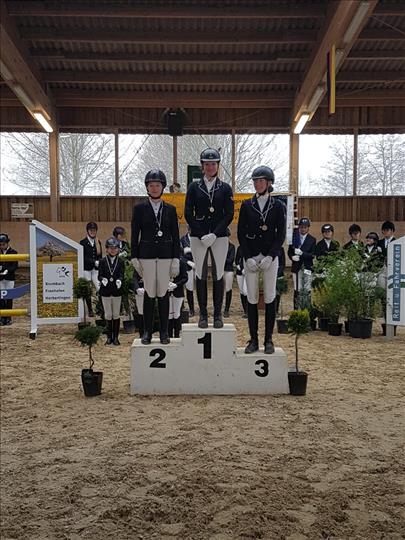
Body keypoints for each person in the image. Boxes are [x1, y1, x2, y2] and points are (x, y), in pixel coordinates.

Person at [237, 166, 286, 354]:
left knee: (270, 296)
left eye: (261, 181)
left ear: (269, 182)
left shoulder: (278, 206)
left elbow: (280, 234)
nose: (257, 184)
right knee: (251, 297)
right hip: (251, 255)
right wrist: (247, 256)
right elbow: (241, 233)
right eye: (255, 181)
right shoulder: (247, 205)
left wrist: (272, 255)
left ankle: (268, 340)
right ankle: (254, 340)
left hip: (269, 256)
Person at [184, 148, 234, 329]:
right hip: (199, 236)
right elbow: (188, 212)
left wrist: (215, 233)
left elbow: (229, 214)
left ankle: (218, 314)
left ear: (218, 165)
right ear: (202, 166)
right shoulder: (193, 187)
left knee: (219, 273)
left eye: (213, 164)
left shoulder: (225, 188)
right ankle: (203, 314)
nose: (210, 167)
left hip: (219, 236)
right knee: (200, 273)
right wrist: (200, 233)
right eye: (207, 164)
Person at [131, 169, 180, 345]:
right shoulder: (139, 209)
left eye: (157, 185)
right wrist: (134, 257)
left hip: (166, 255)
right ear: (147, 187)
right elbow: (135, 233)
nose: (154, 188)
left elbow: (175, 235)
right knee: (150, 293)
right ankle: (147, 332)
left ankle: (165, 332)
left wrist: (176, 258)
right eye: (151, 185)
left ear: (162, 187)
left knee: (163, 293)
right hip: (147, 255)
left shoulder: (170, 209)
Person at [98, 237, 125, 346]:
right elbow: (99, 275)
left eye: (115, 248)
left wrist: (120, 280)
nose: (113, 250)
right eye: (111, 248)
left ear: (118, 249)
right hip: (106, 291)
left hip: (117, 291)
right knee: (108, 315)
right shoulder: (103, 261)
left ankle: (116, 337)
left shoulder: (121, 261)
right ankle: (109, 337)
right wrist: (102, 279)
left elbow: (122, 274)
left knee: (116, 314)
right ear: (107, 249)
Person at [287, 217, 316, 309]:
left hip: (307, 267)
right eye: (301, 227)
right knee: (297, 289)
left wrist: (302, 253)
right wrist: (292, 257)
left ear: (308, 228)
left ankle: (307, 308)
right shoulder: (294, 238)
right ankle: (296, 309)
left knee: (307, 289)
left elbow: (312, 255)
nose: (303, 229)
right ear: (299, 227)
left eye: (305, 227)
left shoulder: (312, 239)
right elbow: (289, 252)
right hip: (296, 267)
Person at [80, 222, 102, 317]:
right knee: (88, 289)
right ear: (87, 231)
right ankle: (90, 310)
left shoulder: (98, 242)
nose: (92, 232)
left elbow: (100, 255)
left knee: (100, 288)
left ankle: (99, 308)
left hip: (95, 270)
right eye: (91, 230)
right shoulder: (83, 242)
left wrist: (100, 262)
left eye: (94, 230)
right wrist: (94, 262)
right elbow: (83, 257)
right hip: (86, 269)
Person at [0, 233, 18, 326]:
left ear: (7, 243)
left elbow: (15, 266)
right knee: (1, 298)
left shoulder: (14, 252)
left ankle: (8, 317)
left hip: (9, 278)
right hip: (0, 278)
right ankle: (2, 317)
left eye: (3, 244)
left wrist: (7, 270)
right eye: (0, 245)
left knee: (9, 297)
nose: (2, 246)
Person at [168, 256, 188, 338]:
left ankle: (177, 335)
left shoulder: (182, 263)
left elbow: (185, 278)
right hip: (167, 291)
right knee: (169, 314)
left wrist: (176, 285)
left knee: (176, 314)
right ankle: (169, 335)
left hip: (178, 291)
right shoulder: (166, 262)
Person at [180, 227, 195, 317]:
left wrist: (191, 250)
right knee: (184, 288)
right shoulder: (183, 239)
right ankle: (184, 307)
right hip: (186, 266)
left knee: (192, 289)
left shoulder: (196, 238)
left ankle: (193, 308)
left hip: (195, 265)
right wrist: (188, 262)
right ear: (188, 230)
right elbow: (180, 255)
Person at [223, 239, 235, 318]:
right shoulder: (219, 246)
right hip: (220, 270)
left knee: (228, 289)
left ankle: (226, 309)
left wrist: (222, 258)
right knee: (219, 289)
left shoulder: (231, 247)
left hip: (228, 270)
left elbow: (231, 260)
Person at [235, 244, 248, 318]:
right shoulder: (239, 248)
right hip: (240, 272)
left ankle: (248, 310)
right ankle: (245, 310)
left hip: (247, 272)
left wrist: (245, 269)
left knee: (246, 291)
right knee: (242, 291)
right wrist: (239, 267)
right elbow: (237, 260)